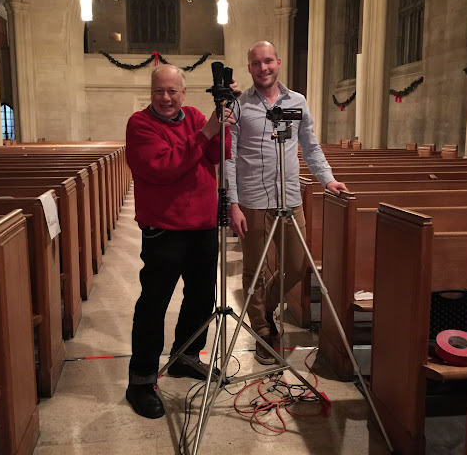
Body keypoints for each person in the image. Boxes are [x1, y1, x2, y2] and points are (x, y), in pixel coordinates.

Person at [125, 64, 236, 419]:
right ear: (151, 92)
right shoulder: (140, 124)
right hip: (164, 228)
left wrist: (223, 122)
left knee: (202, 298)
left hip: (202, 225)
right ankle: (140, 382)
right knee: (153, 303)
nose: (167, 98)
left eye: (173, 91)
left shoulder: (196, 116)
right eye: (160, 91)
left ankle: (185, 357)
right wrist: (206, 132)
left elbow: (220, 152)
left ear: (184, 92)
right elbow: (162, 167)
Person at [226, 41, 347, 365]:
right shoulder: (238, 106)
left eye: (268, 61)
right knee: (254, 269)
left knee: (296, 264)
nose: (263, 68)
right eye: (256, 63)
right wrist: (232, 203)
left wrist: (328, 179)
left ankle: (265, 307)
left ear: (278, 62)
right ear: (249, 67)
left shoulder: (298, 102)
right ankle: (263, 330)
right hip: (252, 200)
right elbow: (229, 156)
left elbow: (310, 146)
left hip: (289, 198)